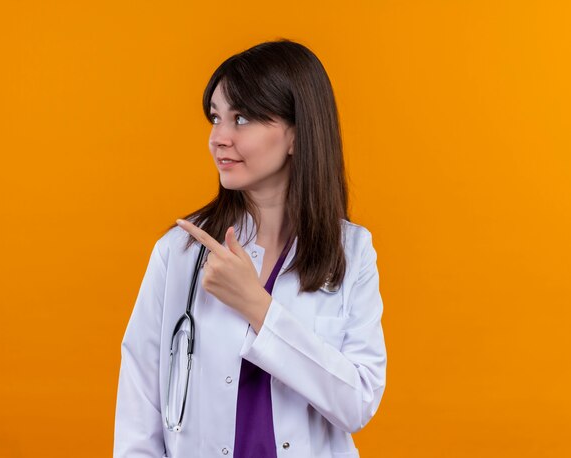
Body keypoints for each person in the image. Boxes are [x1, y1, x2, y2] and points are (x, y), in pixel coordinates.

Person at [113, 39, 387, 458]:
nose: (219, 138)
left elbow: (358, 404)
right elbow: (139, 414)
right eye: (216, 117)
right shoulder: (179, 252)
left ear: (297, 134)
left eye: (240, 119)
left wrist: (257, 308)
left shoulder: (351, 252)